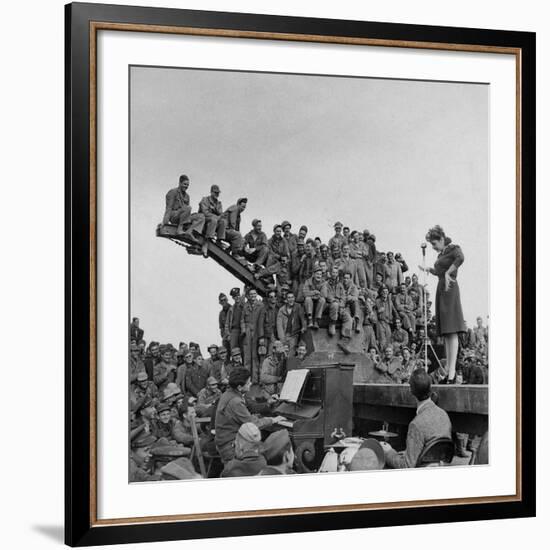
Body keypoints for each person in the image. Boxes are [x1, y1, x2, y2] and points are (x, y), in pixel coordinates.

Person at [419, 225, 466, 383]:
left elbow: (460, 258)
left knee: (452, 331)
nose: (433, 247)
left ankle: (452, 373)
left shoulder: (453, 248)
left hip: (450, 287)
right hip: (441, 289)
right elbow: (439, 271)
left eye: (434, 244)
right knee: (446, 333)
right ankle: (448, 372)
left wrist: (447, 272)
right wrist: (429, 270)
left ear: (441, 239)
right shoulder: (442, 254)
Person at [381, 368, 452, 468]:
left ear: (411, 391)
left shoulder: (416, 424)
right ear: (430, 388)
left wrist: (388, 452)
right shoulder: (444, 415)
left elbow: (407, 465)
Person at [214, 368, 285, 463]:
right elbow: (253, 424)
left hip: (227, 442)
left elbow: (251, 406)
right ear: (239, 387)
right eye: (248, 383)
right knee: (271, 452)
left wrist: (268, 402)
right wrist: (273, 420)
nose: (251, 384)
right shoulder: (235, 402)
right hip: (230, 446)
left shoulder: (230, 393)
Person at [240, 288, 264, 381]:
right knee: (247, 356)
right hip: (247, 331)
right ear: (248, 296)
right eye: (251, 294)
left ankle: (255, 379)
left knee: (255, 356)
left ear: (256, 294)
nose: (253, 295)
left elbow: (262, 321)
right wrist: (243, 330)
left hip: (257, 332)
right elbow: (242, 319)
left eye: (254, 294)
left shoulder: (261, 305)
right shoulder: (245, 306)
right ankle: (247, 380)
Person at [276, 290, 306, 358]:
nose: (291, 299)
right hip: (285, 334)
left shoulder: (298, 307)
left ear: (294, 298)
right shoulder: (282, 310)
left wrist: (304, 326)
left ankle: (290, 366)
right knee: (283, 353)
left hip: (294, 334)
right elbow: (279, 325)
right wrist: (282, 338)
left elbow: (302, 317)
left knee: (291, 352)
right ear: (286, 299)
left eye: (292, 297)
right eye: (289, 298)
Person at [302, 265, 328, 329]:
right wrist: (315, 292)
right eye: (317, 274)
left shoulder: (323, 282)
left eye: (320, 274)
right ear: (313, 274)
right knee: (308, 299)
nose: (319, 276)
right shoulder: (308, 281)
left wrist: (315, 295)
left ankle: (316, 320)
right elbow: (305, 293)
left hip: (318, 303)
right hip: (309, 303)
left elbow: (324, 294)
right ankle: (310, 320)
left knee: (323, 300)